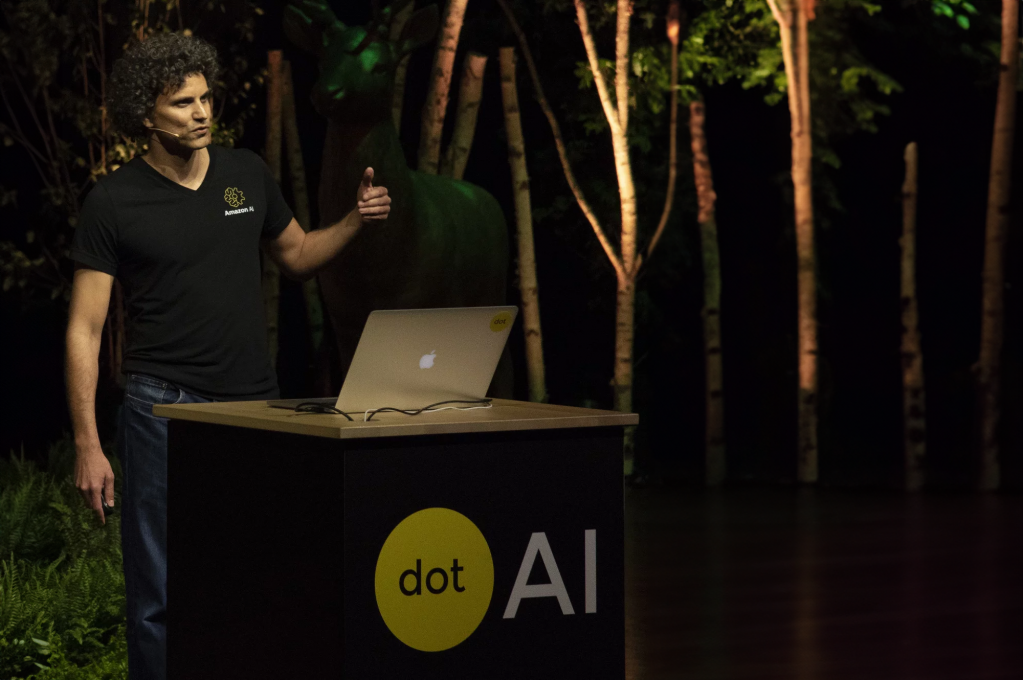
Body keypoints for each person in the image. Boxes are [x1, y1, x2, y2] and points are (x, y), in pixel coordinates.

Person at [64, 33, 390, 680]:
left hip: (253, 405)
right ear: (146, 114)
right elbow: (84, 328)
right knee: (158, 591)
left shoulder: (245, 172)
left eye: (206, 98)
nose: (202, 112)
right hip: (161, 410)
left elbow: (298, 255)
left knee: (252, 573)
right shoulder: (114, 201)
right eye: (183, 102)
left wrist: (355, 220)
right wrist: (87, 443)